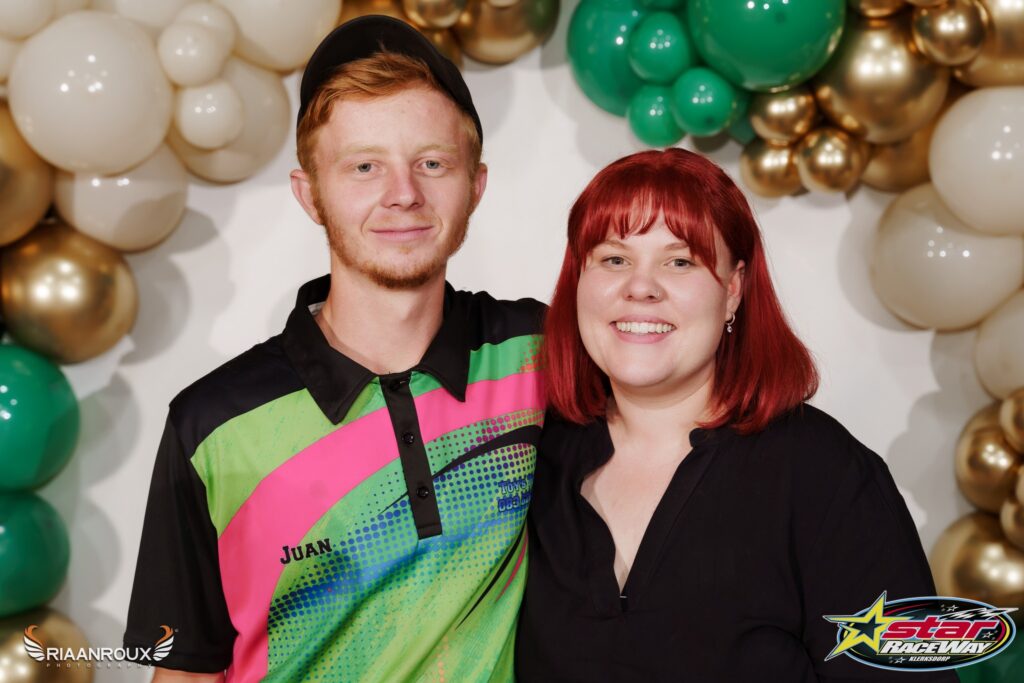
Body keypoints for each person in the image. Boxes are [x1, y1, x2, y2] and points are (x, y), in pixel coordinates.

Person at [123, 16, 545, 682]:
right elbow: (184, 670)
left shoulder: (542, 355)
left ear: (475, 185)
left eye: (432, 163)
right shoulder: (212, 424)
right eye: (364, 166)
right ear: (310, 194)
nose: (403, 194)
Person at [515, 148, 956, 682]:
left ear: (733, 290)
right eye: (614, 259)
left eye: (680, 262)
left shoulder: (824, 473)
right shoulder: (528, 456)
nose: (641, 287)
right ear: (578, 281)